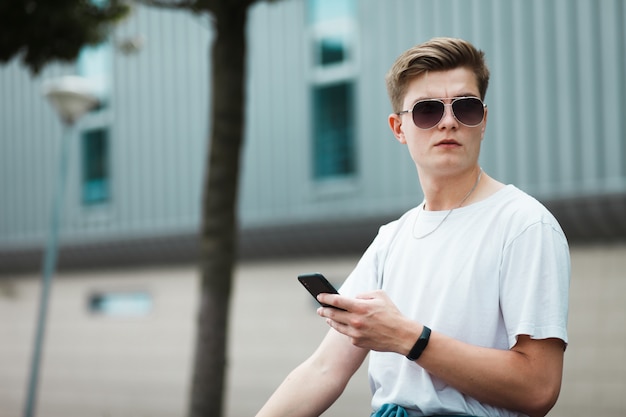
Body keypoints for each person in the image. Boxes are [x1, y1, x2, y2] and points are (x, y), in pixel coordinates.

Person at [256, 37, 570, 417]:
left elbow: (538, 387)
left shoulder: (524, 224)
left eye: (466, 107)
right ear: (398, 127)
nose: (449, 121)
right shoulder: (391, 239)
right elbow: (323, 370)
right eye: (427, 111)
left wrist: (408, 338)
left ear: (483, 121)